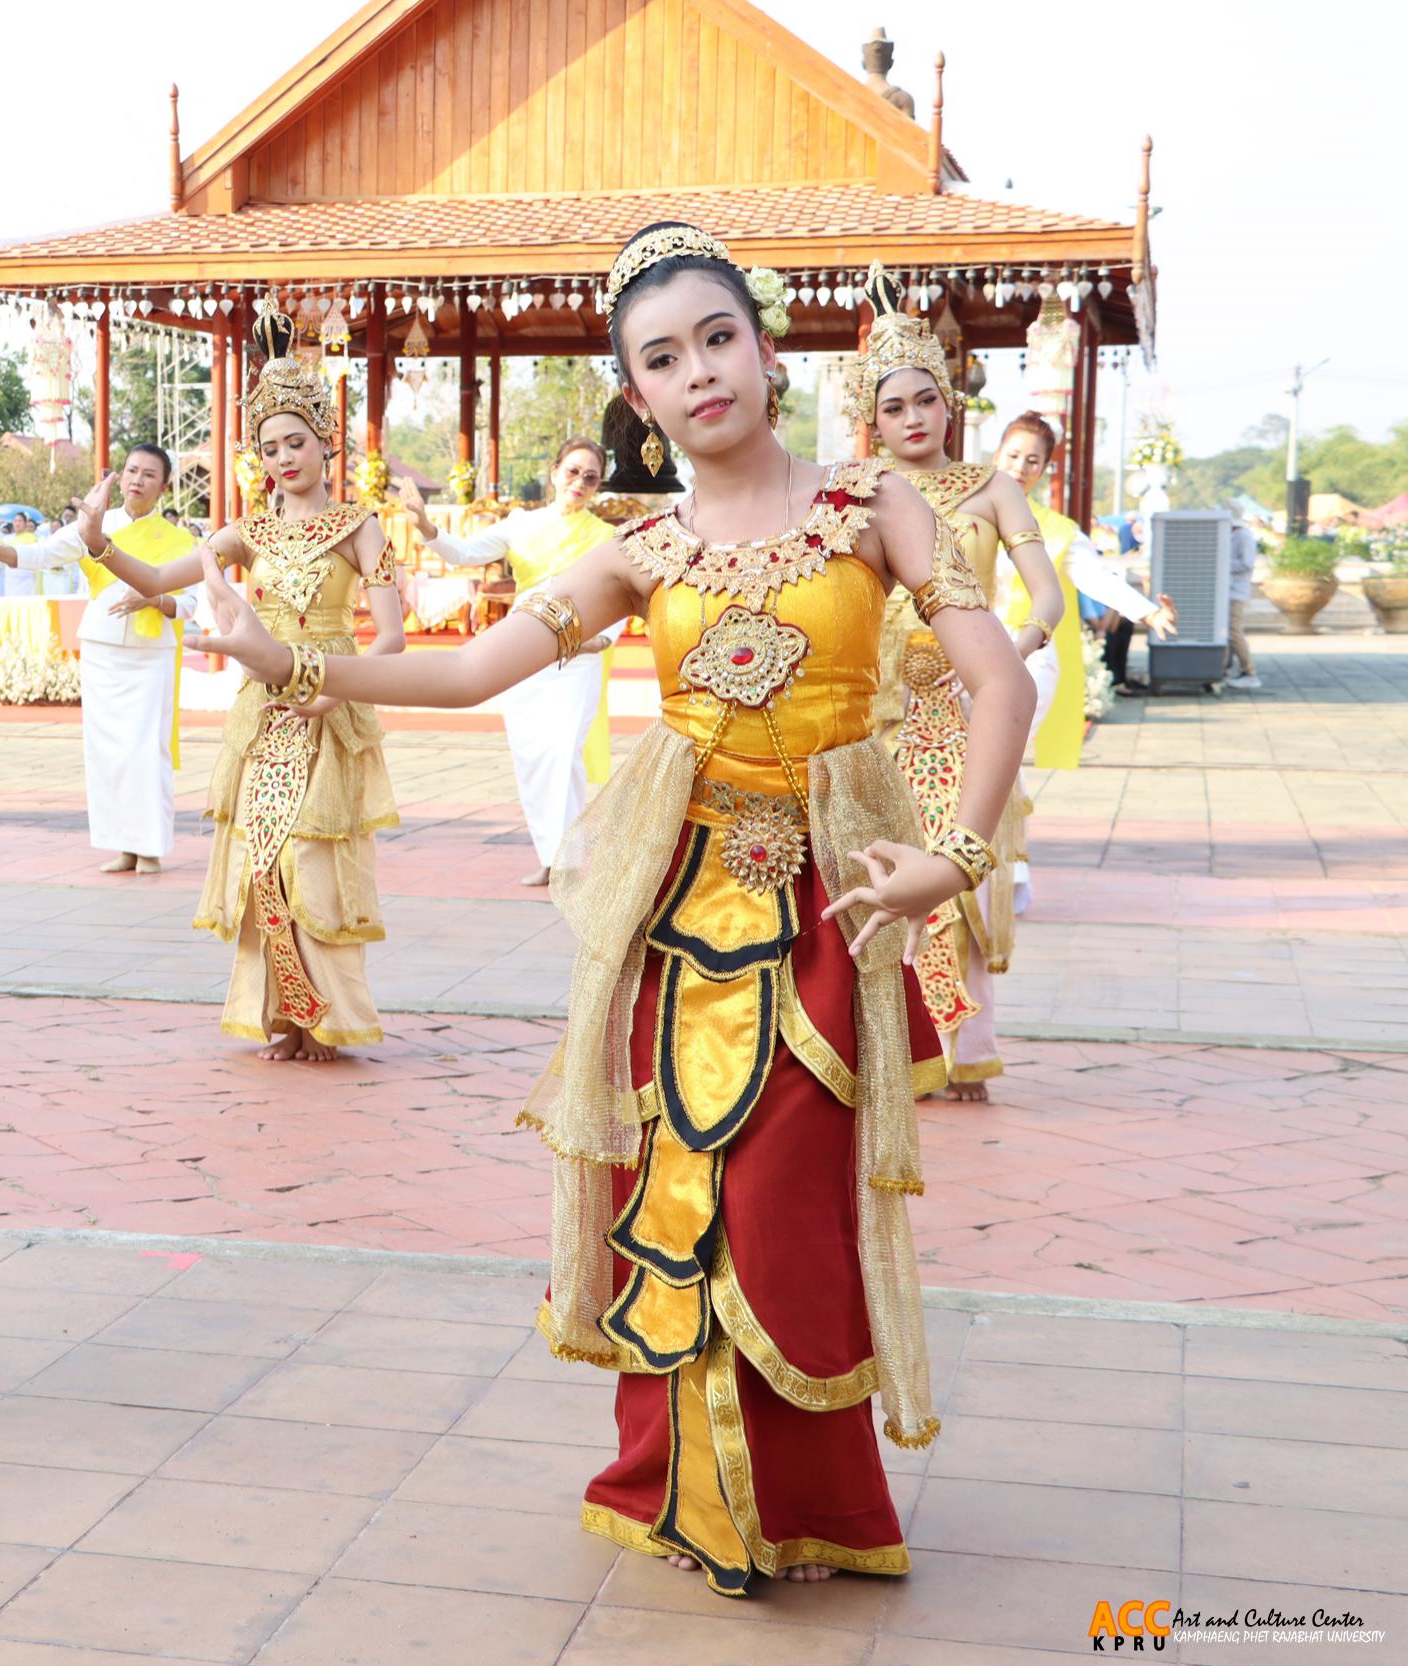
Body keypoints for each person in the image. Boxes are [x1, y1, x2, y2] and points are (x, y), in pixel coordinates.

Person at [189, 223, 1032, 1592]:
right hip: (674, 910)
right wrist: (284, 657)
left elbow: (1003, 684)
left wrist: (955, 855)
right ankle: (696, 1498)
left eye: (716, 338)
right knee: (679, 1185)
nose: (698, 371)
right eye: (661, 358)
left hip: (828, 906)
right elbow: (474, 677)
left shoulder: (876, 507)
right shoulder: (642, 547)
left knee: (783, 1198)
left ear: (766, 349)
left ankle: (805, 1495)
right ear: (636, 399)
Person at [95, 301, 404, 1061]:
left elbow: (392, 639)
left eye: (295, 442)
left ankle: (326, 1020)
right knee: (260, 863)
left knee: (315, 866)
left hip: (326, 705)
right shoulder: (247, 531)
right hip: (264, 714)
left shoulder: (361, 527)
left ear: (324, 443)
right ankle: (286, 1017)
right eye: (268, 448)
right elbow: (162, 573)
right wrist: (98, 541)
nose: (283, 459)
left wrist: (331, 694)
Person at [856, 266, 1064, 1102]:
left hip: (959, 711)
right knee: (873, 873)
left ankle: (962, 1045)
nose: (912, 420)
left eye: (924, 401)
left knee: (955, 868)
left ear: (950, 402)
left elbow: (1046, 593)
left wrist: (1001, 656)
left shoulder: (992, 486)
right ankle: (892, 1052)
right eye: (892, 408)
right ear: (872, 421)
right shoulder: (856, 492)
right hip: (874, 716)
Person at [0, 444, 199, 875]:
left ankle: (150, 849)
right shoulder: (96, 524)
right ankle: (122, 845)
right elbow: (40, 556)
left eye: (149, 474)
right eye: (131, 471)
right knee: (107, 752)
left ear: (164, 487)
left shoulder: (179, 540)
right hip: (102, 650)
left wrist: (156, 597)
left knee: (146, 751)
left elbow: (191, 604)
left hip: (150, 655)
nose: (137, 480)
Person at [395, 438, 622, 885]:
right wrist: (422, 523)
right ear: (555, 471)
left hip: (577, 656)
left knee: (563, 755)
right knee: (534, 756)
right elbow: (463, 553)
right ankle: (552, 858)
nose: (579, 482)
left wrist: (596, 642)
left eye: (590, 477)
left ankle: (570, 860)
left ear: (598, 486)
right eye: (573, 472)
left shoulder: (605, 538)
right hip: (525, 655)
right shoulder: (522, 525)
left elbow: (619, 597)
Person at [989, 415, 1089, 768]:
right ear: (996, 454)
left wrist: (1149, 612)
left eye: (1032, 461)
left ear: (1044, 468)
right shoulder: (967, 515)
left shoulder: (1058, 530)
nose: (1020, 467)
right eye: (1013, 456)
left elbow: (1096, 577)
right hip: (967, 650)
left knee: (999, 759)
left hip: (1029, 655)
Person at [1223, 515, 1260, 689]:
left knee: (1234, 633)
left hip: (1236, 592)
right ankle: (1225, 669)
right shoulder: (1233, 534)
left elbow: (1247, 563)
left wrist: (1222, 564)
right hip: (1228, 591)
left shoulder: (1244, 536)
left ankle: (1249, 671)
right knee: (1228, 633)